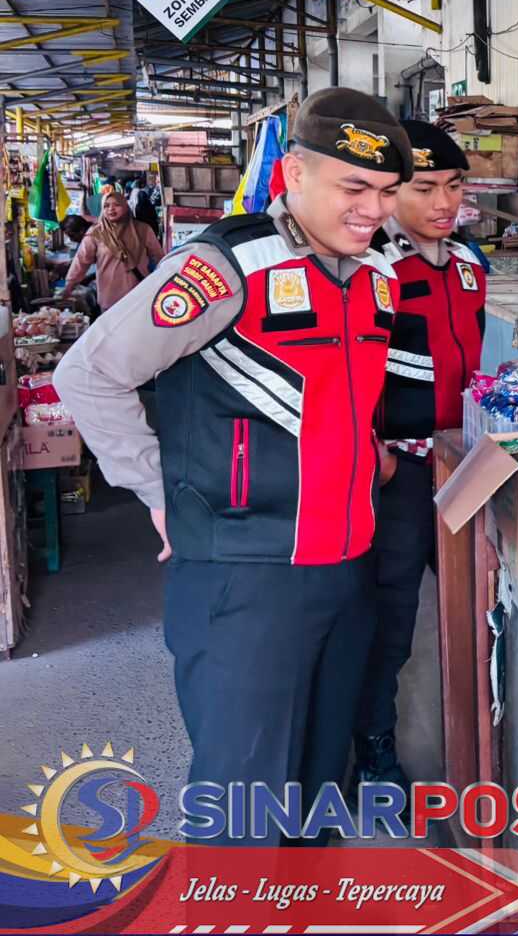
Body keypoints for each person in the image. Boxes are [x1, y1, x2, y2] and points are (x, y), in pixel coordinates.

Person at [54, 88, 413, 844]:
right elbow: (87, 373)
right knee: (243, 802)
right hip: (244, 575)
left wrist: (364, 455)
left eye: (385, 192)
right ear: (291, 174)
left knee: (321, 790)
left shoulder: (377, 275)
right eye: (354, 188)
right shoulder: (224, 268)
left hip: (346, 565)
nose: (372, 210)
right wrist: (155, 489)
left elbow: (330, 401)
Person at [352, 119, 485, 797]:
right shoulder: (372, 272)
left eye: (455, 186)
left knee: (474, 604)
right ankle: (374, 749)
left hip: (463, 464)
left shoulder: (468, 268)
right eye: (425, 187)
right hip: (396, 474)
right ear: (393, 193)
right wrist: (368, 449)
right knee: (391, 616)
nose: (444, 202)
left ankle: (478, 742)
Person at [60, 189, 164, 310]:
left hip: (138, 296)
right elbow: (81, 261)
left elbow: (159, 258)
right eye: (106, 206)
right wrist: (69, 285)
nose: (111, 209)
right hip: (109, 299)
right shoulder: (96, 233)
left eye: (116, 205)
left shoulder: (143, 230)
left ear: (125, 206)